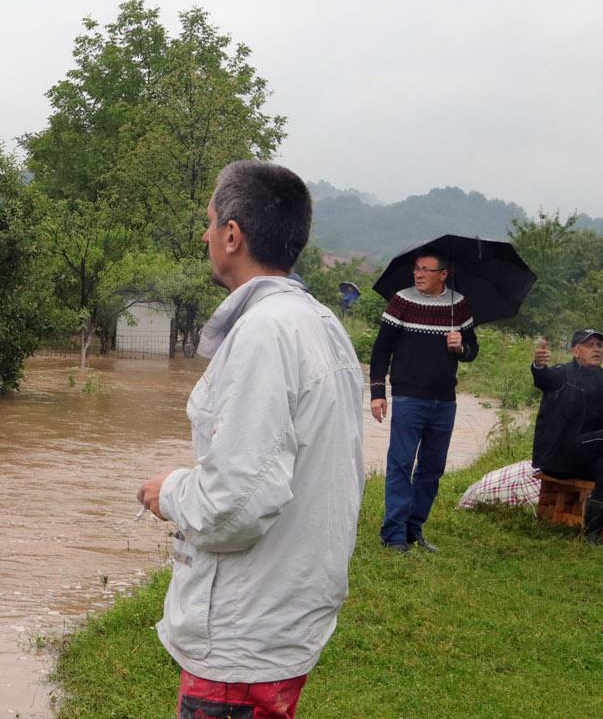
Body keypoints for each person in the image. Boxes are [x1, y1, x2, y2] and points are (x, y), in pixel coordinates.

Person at [137, 161, 364, 719]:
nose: (206, 235)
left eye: (211, 223)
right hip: (288, 610)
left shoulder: (265, 333)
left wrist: (168, 491)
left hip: (247, 628)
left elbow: (233, 504)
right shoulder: (320, 324)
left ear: (233, 236)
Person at [368, 253, 478, 551]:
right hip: (408, 397)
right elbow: (381, 350)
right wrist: (378, 393)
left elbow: (472, 350)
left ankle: (413, 529)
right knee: (401, 464)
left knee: (432, 468)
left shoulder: (459, 305)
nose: (418, 274)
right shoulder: (401, 301)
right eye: (416, 269)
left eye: (426, 270)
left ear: (444, 274)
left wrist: (461, 347)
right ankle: (393, 534)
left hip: (444, 400)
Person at [531, 329, 603, 545]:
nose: (597, 349)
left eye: (599, 345)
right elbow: (544, 379)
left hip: (585, 457)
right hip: (559, 454)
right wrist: (538, 365)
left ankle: (593, 533)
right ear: (575, 351)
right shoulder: (562, 374)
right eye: (590, 345)